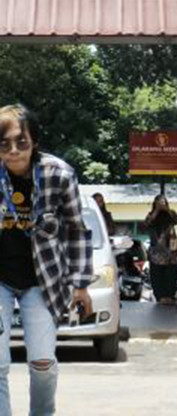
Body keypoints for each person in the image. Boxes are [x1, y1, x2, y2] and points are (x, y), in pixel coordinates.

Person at [0, 105, 93, 416]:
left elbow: (77, 232)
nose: (13, 151)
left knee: (42, 363)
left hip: (43, 280)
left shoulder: (59, 174)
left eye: (21, 142)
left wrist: (80, 286)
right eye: (4, 143)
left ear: (34, 143)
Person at [141, 194, 177, 304]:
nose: (162, 204)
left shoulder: (171, 214)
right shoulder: (151, 215)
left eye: (163, 202)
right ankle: (160, 297)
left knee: (171, 275)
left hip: (171, 251)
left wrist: (167, 210)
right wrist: (156, 211)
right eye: (159, 202)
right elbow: (145, 225)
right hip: (157, 252)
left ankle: (170, 296)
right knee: (156, 275)